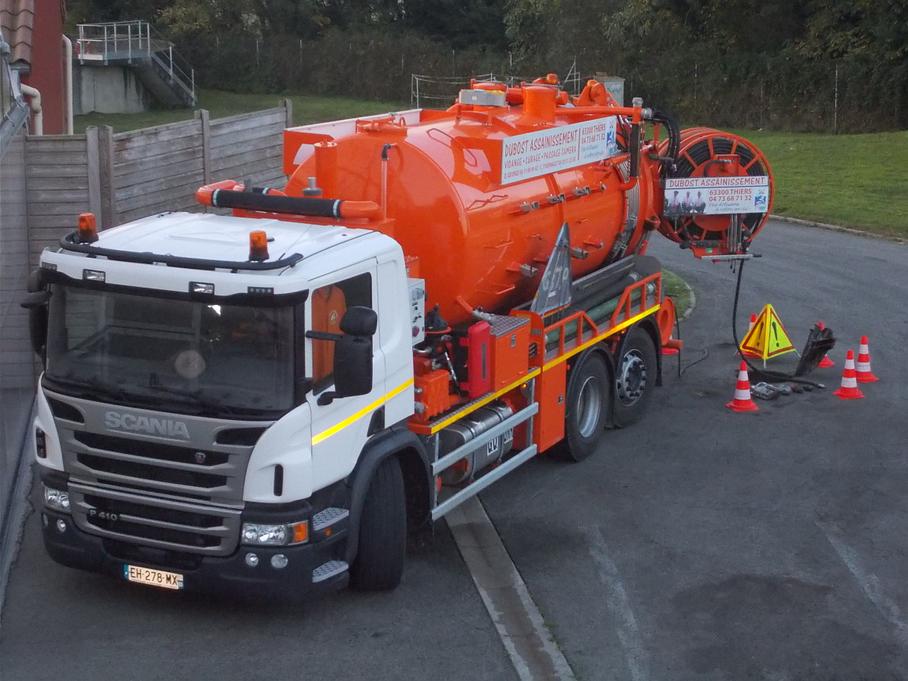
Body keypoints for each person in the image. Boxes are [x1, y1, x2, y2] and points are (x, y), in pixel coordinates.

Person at [311, 283, 347, 386]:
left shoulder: (338, 295)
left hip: (333, 375)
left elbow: (343, 333)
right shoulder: (310, 298)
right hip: (312, 377)